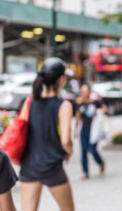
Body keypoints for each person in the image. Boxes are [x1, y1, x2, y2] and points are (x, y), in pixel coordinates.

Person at [19, 58, 74, 211]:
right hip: (52, 167)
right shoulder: (64, 105)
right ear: (61, 79)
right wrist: (69, 153)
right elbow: (66, 141)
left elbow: (21, 128)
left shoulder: (30, 101)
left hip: (28, 166)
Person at [75, 84, 107, 180]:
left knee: (92, 150)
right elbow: (77, 118)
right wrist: (75, 131)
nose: (84, 93)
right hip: (83, 130)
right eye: (82, 91)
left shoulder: (96, 102)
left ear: (89, 91)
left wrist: (97, 111)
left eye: (86, 91)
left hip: (94, 130)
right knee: (83, 151)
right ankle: (85, 172)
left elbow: (105, 109)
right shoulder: (80, 105)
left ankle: (100, 162)